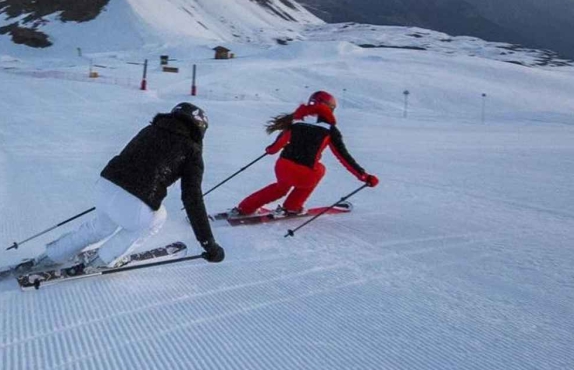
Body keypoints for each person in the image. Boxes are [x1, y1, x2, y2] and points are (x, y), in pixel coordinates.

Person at [37, 102, 225, 276]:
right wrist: (208, 244)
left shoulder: (150, 129)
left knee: (101, 226)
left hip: (105, 187)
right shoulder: (191, 151)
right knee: (158, 218)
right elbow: (192, 199)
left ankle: (51, 256)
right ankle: (102, 260)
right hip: (133, 201)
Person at [231, 90, 378, 219]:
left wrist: (270, 150)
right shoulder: (329, 130)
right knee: (320, 169)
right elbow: (344, 157)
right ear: (330, 108)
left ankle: (245, 208)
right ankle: (292, 207)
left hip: (282, 167)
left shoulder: (297, 122)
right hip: (304, 172)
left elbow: (276, 147)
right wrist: (364, 176)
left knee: (280, 187)